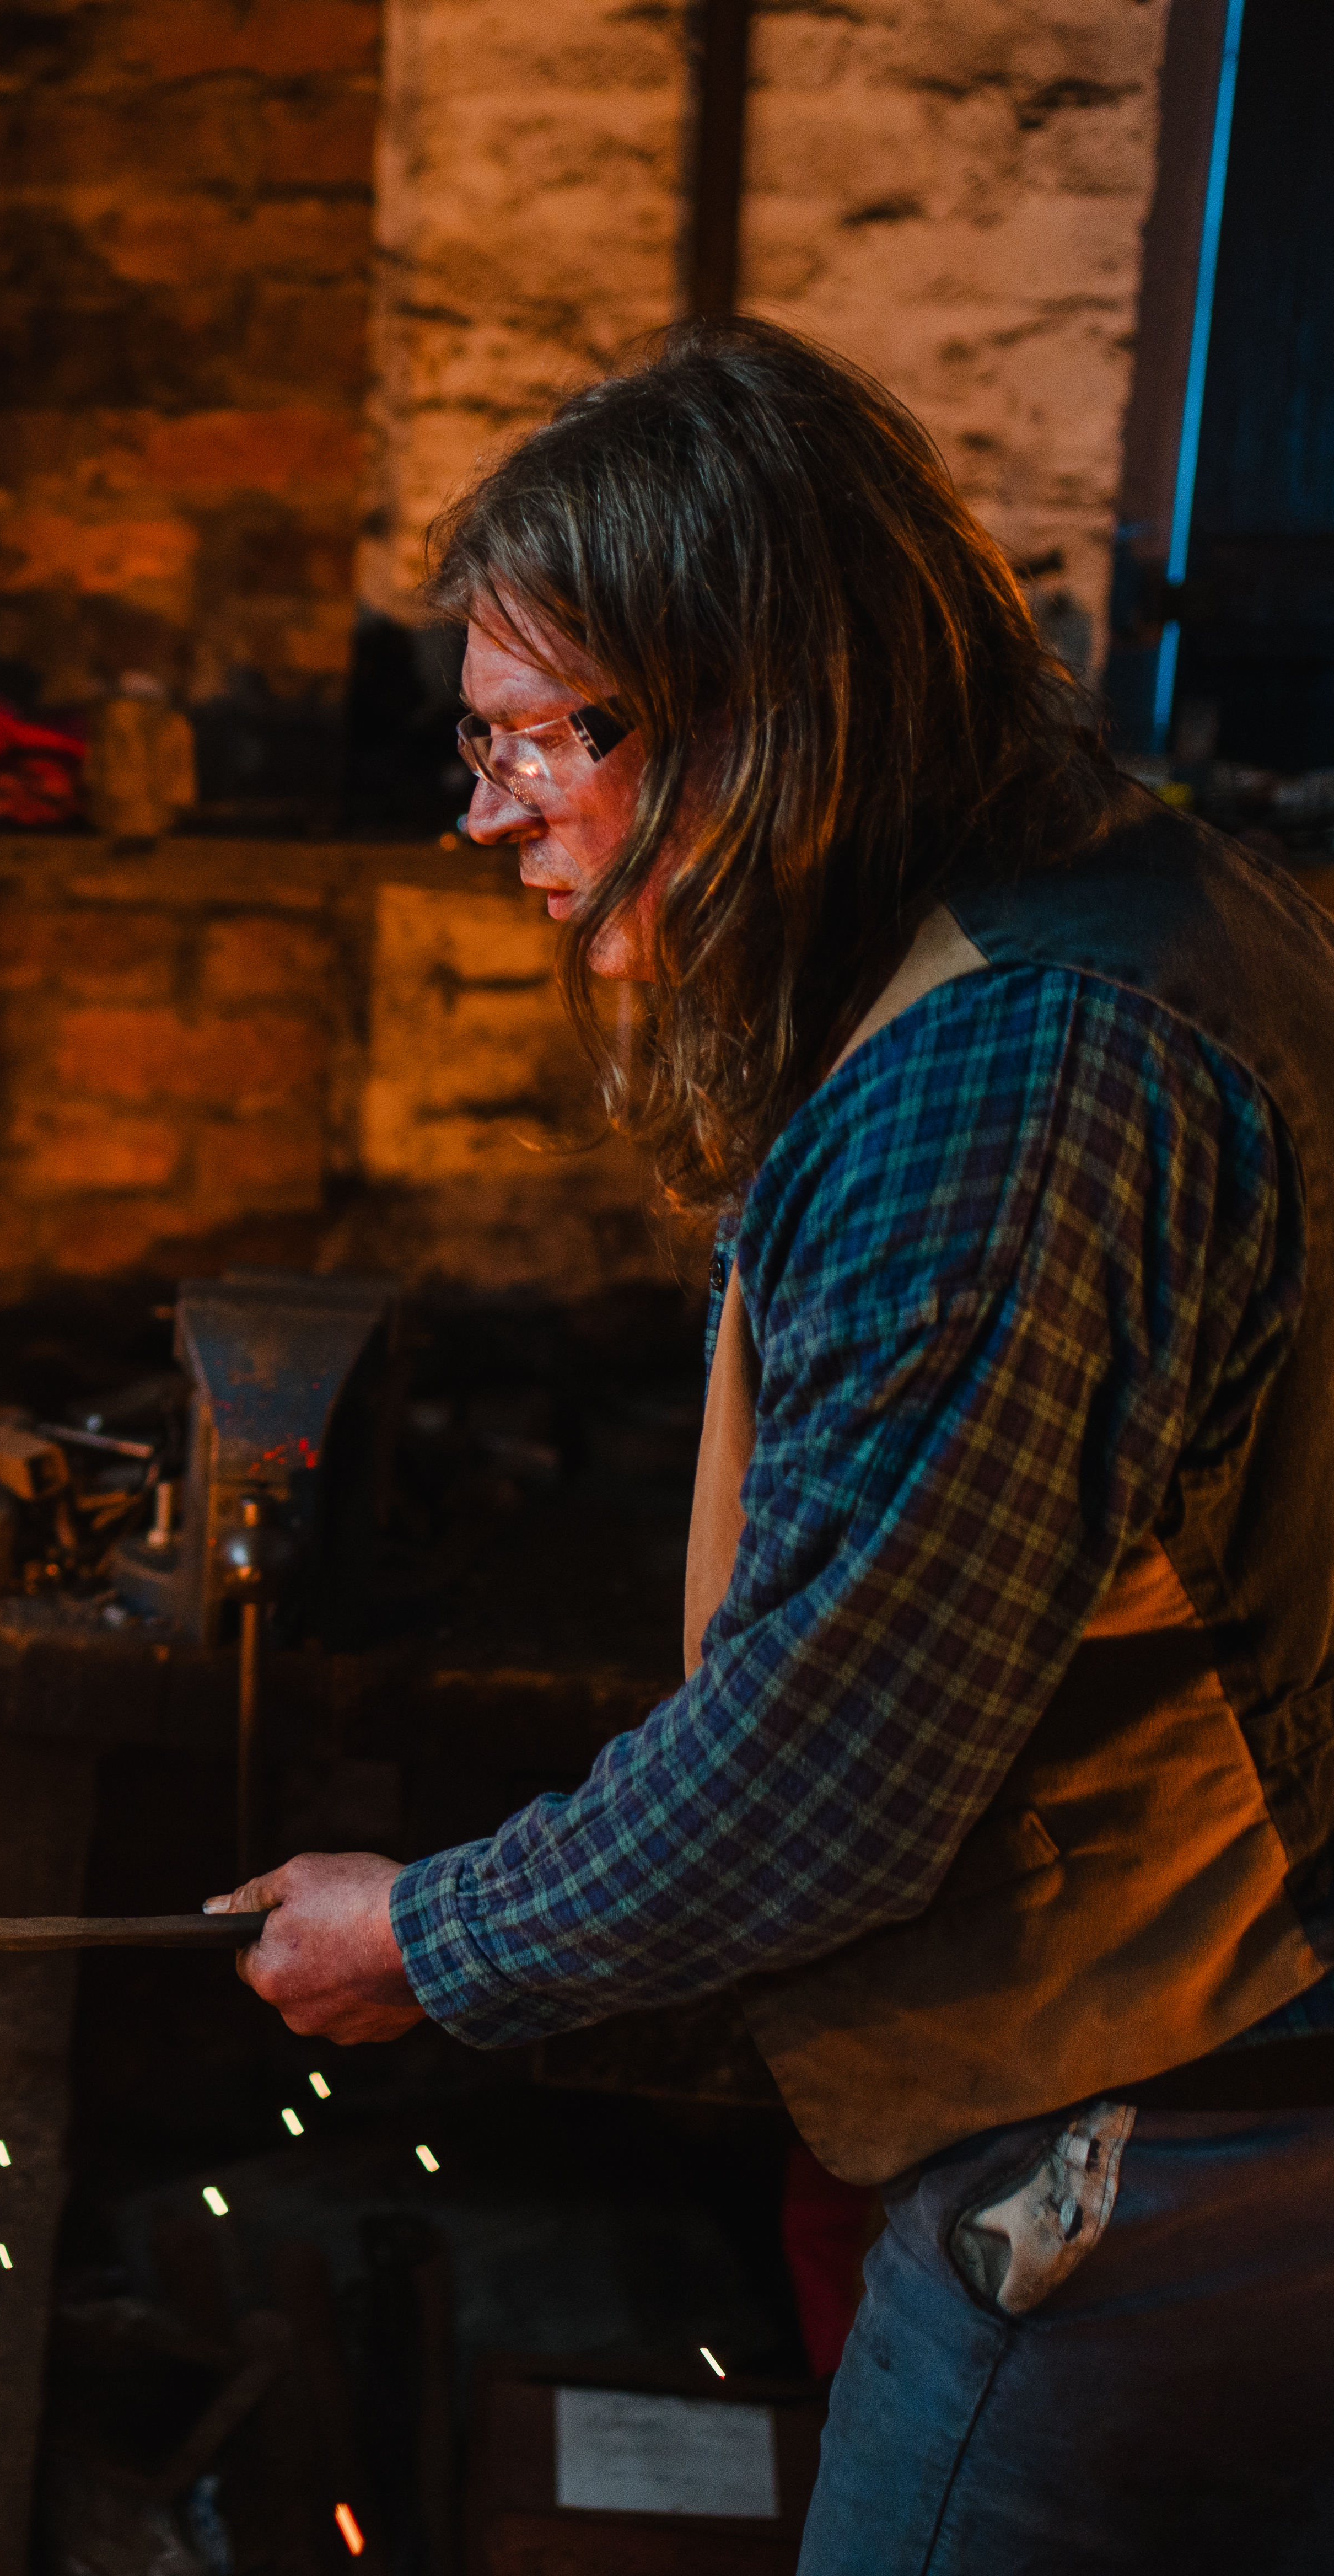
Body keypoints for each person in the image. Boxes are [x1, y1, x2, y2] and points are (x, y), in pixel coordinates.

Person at [213, 318, 1334, 2569]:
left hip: (1153, 2123)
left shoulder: (1004, 1081)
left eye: (537, 741)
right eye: (476, 742)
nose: (489, 814)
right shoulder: (1128, 912)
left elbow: (825, 1766)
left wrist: (430, 1931)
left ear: (755, 716)